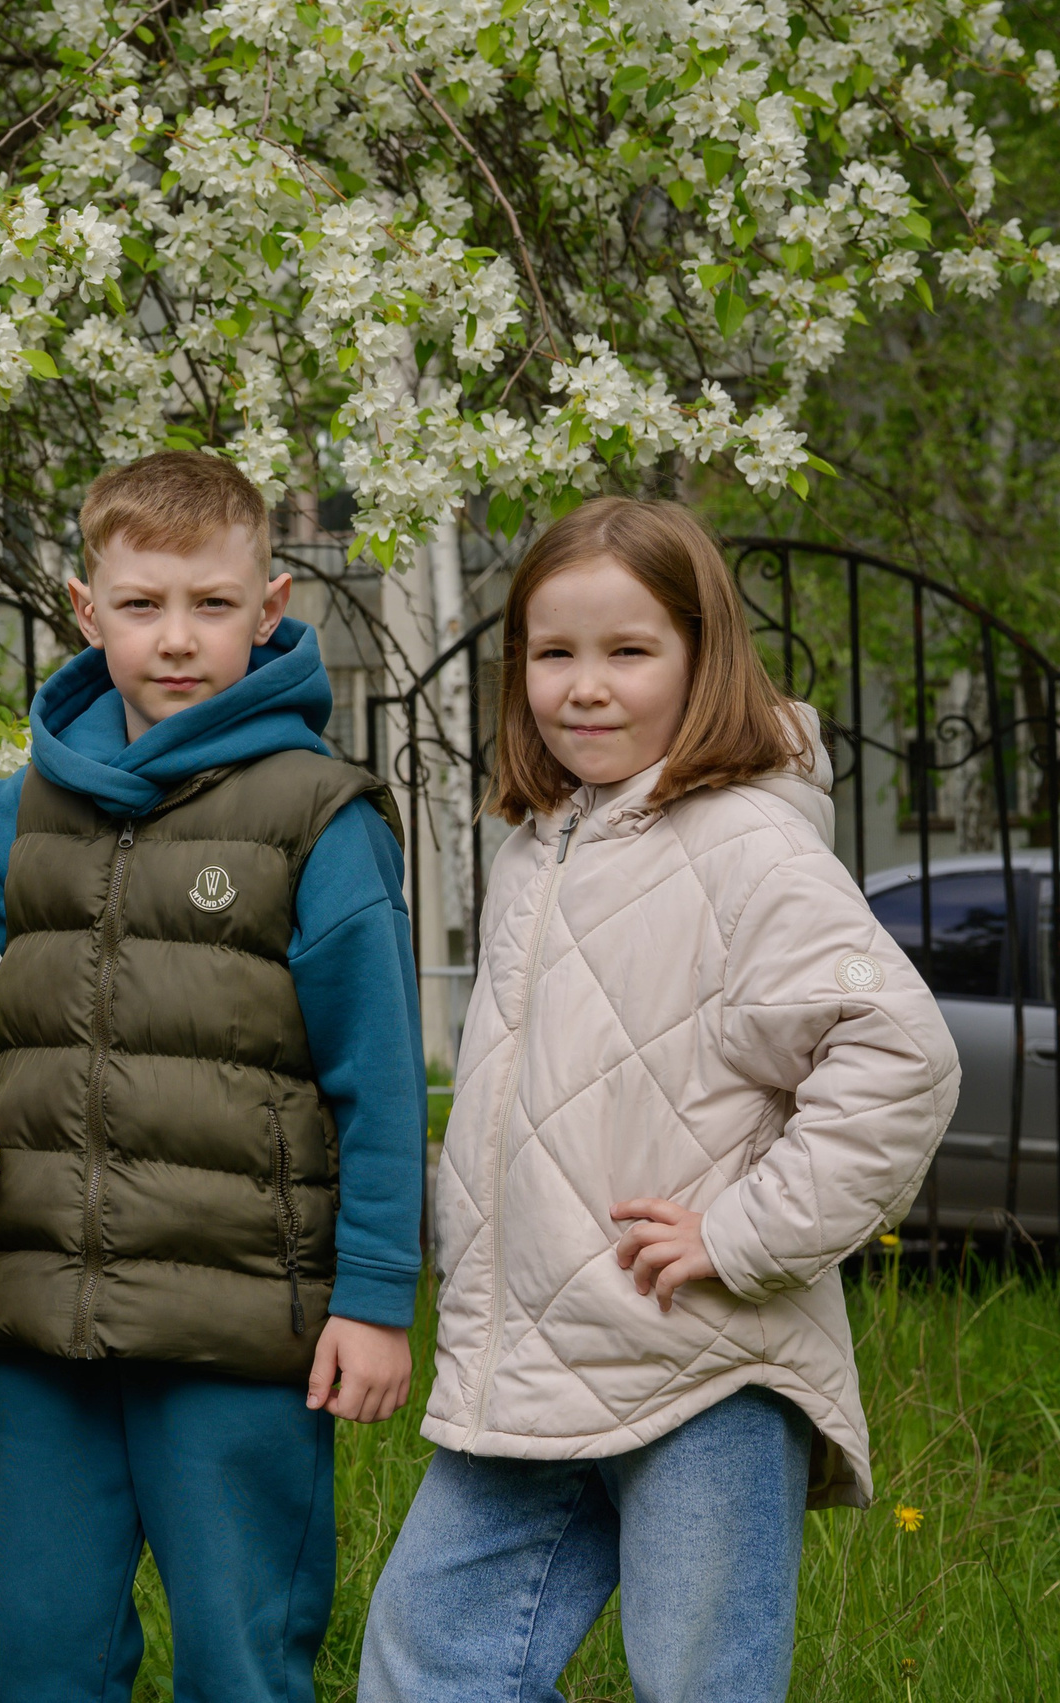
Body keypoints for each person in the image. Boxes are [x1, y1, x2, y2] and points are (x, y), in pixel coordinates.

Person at [0, 450, 429, 1703]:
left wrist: (376, 1297)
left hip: (237, 1328)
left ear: (269, 608)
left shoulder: (317, 816)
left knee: (239, 1656)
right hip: (45, 1318)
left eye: (211, 604)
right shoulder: (42, 803)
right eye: (142, 603)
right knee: (39, 1652)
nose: (175, 637)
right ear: (83, 607)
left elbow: (378, 1074)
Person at [358, 497, 959, 1703]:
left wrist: (742, 1233)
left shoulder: (750, 845)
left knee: (698, 1681)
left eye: (628, 650)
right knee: (427, 1655)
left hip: (704, 1364)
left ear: (701, 656)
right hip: (536, 1362)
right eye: (552, 651)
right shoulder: (539, 843)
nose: (584, 686)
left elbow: (901, 1054)